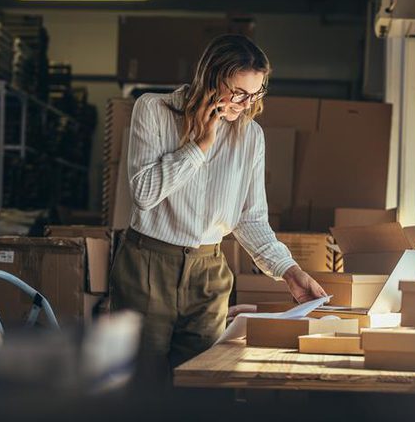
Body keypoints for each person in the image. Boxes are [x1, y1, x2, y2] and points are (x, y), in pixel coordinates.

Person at [109, 34, 327, 385]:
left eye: (255, 94)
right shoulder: (153, 109)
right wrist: (200, 146)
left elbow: (250, 219)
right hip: (147, 265)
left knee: (203, 386)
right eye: (238, 92)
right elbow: (144, 193)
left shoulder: (251, 136)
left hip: (209, 273)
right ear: (211, 78)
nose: (245, 103)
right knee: (141, 387)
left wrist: (290, 271)